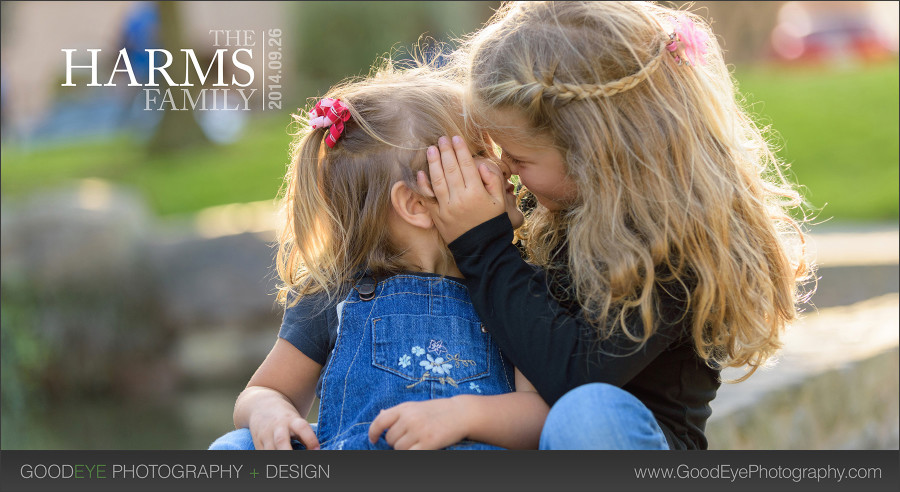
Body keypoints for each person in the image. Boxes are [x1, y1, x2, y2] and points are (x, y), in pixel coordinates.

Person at [417, 1, 812, 450]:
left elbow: (575, 377)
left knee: (589, 416)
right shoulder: (548, 208)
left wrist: (484, 246)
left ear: (594, 155)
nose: (504, 169)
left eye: (519, 158)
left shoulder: (677, 246)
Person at [208, 66, 548, 451]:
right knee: (234, 447)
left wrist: (465, 415)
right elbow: (266, 389)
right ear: (415, 204)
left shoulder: (516, 286)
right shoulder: (336, 293)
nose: (502, 162)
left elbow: (540, 416)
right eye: (478, 152)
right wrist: (269, 412)